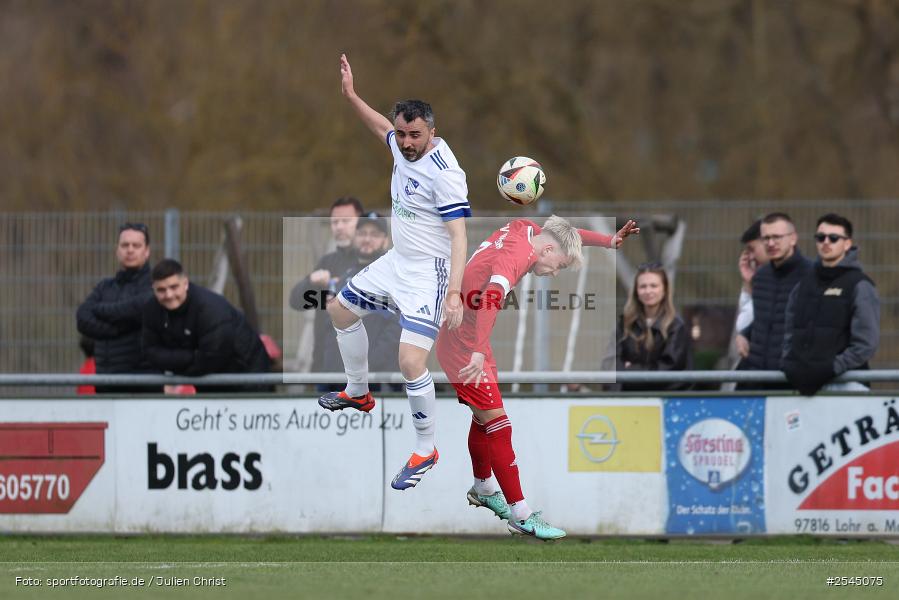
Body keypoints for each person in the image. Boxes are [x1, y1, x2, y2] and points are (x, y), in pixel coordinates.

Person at [317, 54, 470, 491]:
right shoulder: (400, 145)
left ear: (432, 133)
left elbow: (459, 238)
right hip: (396, 262)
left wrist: (455, 294)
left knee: (409, 361)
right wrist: (350, 95)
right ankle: (358, 392)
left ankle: (426, 447)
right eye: (401, 133)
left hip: (430, 274)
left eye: (414, 135)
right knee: (340, 311)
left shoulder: (446, 175)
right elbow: (378, 128)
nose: (405, 142)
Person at [436, 215, 639, 540]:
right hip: (464, 342)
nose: (556, 272)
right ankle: (521, 514)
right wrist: (476, 351)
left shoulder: (524, 227)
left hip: (473, 338)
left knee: (485, 418)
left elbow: (568, 233)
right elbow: (490, 297)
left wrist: (608, 241)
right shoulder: (518, 258)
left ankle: (484, 486)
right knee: (500, 424)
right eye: (559, 264)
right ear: (545, 250)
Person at [782, 214, 880, 395]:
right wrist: (790, 364)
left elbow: (866, 344)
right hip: (804, 386)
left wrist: (831, 368)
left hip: (848, 383)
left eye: (834, 238)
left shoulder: (861, 285)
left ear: (847, 244)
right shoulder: (802, 285)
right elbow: (789, 332)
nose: (826, 242)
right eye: (820, 237)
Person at [142, 259, 272, 393]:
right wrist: (191, 357)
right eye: (161, 290)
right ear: (153, 289)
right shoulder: (151, 309)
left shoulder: (211, 308)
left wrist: (177, 366)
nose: (168, 295)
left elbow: (211, 359)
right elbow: (150, 352)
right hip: (209, 383)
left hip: (248, 377)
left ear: (185, 284)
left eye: (174, 287)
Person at [289, 196, 364, 387]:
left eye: (346, 221)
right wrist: (311, 281)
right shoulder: (327, 262)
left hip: (360, 371)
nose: (339, 227)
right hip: (324, 367)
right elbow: (296, 301)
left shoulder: (371, 262)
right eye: (334, 222)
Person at [76, 222, 159, 393]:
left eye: (136, 245)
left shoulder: (156, 287)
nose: (130, 250)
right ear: (117, 250)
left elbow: (138, 310)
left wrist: (100, 311)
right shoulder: (104, 287)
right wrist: (120, 328)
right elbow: (82, 318)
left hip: (143, 388)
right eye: (125, 245)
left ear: (147, 251)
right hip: (105, 384)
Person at [736, 212, 813, 389]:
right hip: (754, 380)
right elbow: (764, 320)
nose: (771, 243)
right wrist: (744, 334)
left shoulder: (813, 276)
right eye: (766, 238)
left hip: (790, 382)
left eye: (777, 237)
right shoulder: (761, 277)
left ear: (793, 239)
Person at [603, 262, 692, 391]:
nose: (648, 291)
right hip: (627, 399)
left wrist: (630, 371)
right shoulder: (625, 323)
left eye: (654, 286)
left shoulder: (676, 326)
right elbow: (610, 361)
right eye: (643, 286)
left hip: (664, 402)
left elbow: (669, 369)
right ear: (636, 291)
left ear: (664, 289)